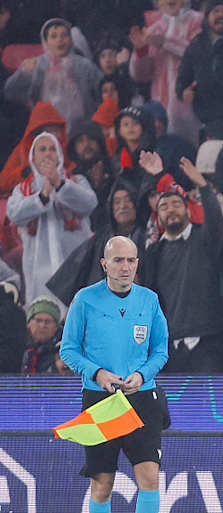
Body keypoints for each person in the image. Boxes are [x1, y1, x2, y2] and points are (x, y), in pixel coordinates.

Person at [59, 236, 169, 513]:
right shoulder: (85, 299)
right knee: (102, 483)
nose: (125, 267)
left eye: (131, 260)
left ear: (137, 263)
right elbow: (68, 350)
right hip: (101, 400)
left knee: (149, 477)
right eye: (118, 260)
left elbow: (161, 351)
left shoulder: (149, 300)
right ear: (104, 264)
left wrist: (142, 375)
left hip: (142, 397)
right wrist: (97, 373)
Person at [141, 157, 223, 373]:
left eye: (176, 204)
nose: (170, 209)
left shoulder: (205, 239)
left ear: (189, 212)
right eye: (164, 206)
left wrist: (203, 186)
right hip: (170, 349)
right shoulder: (153, 254)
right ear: (158, 218)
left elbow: (215, 221)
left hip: (208, 342)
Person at [6, 132, 97, 308]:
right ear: (33, 158)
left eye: (52, 149)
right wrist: (42, 197)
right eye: (42, 149)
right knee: (44, 315)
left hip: (76, 267)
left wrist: (60, 184)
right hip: (39, 273)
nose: (48, 153)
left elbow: (90, 203)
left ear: (60, 155)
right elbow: (14, 214)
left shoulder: (77, 181)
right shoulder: (22, 190)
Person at [3, 18, 103, 128]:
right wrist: (23, 73)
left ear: (71, 40)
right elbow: (10, 91)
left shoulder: (85, 65)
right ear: (45, 41)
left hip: (82, 129)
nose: (59, 40)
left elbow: (104, 89)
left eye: (64, 35)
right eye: (54, 36)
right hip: (47, 127)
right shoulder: (37, 64)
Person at [128, 0, 204, 143]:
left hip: (192, 105)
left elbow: (199, 55)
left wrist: (166, 42)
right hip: (161, 106)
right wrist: (140, 52)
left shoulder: (198, 21)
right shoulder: (153, 29)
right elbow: (140, 75)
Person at [175, 0, 223, 126]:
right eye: (216, 11)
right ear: (207, 16)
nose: (221, 15)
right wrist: (183, 92)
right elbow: (183, 77)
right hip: (204, 116)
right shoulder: (197, 44)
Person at [20, 296, 62, 374]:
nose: (43, 325)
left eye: (48, 322)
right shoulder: (16, 349)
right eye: (38, 320)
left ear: (56, 327)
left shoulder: (61, 354)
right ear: (29, 324)